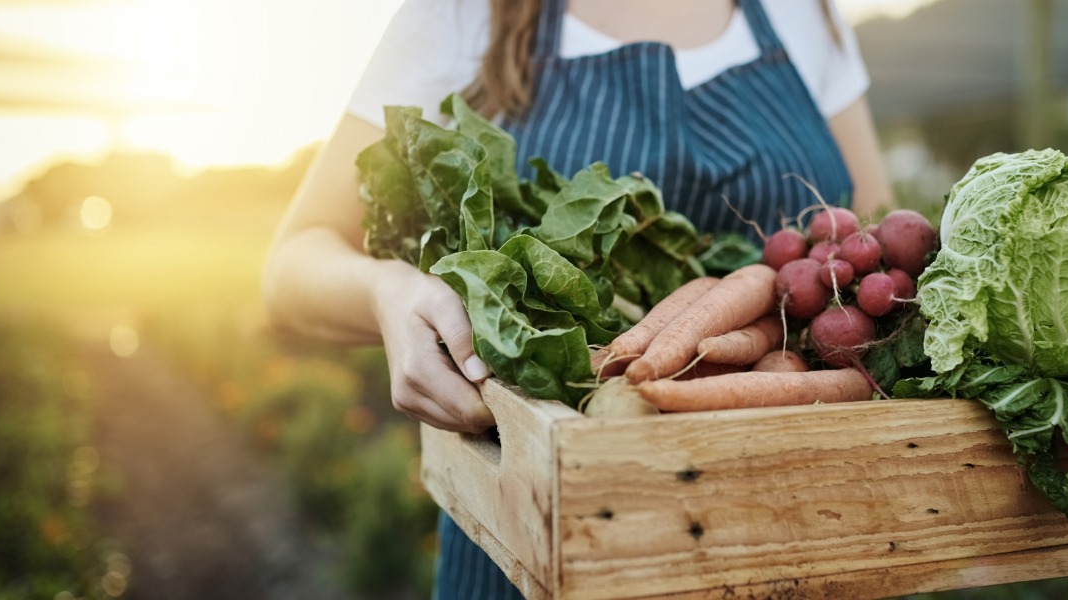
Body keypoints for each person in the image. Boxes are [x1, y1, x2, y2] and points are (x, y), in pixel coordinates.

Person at [262, 0, 894, 597]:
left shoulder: (801, 10)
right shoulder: (461, 12)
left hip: (798, 524)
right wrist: (388, 291)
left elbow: (873, 242)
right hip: (541, 534)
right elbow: (291, 265)